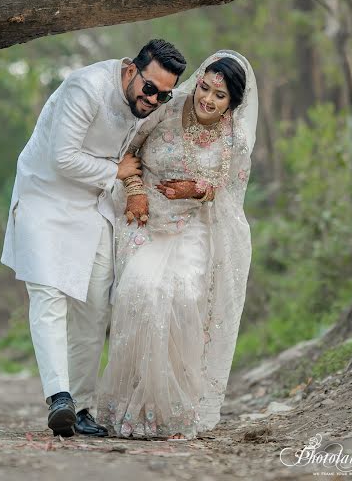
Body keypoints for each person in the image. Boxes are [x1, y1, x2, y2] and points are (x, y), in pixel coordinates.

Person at [1, 39, 186, 438]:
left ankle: (81, 406)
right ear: (130, 70)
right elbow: (62, 158)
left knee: (95, 304)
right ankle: (59, 397)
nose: (153, 99)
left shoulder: (151, 104)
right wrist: (116, 172)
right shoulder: (84, 88)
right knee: (49, 294)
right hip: (44, 196)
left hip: (91, 204)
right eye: (149, 88)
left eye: (163, 94)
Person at [100, 50, 258, 440]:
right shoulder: (166, 111)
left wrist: (200, 190)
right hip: (145, 219)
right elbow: (127, 152)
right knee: (141, 289)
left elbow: (229, 194)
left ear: (233, 103)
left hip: (195, 227)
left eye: (219, 97)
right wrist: (135, 192)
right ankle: (131, 405)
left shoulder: (237, 139)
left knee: (184, 295)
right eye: (204, 88)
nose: (206, 99)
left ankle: (172, 409)